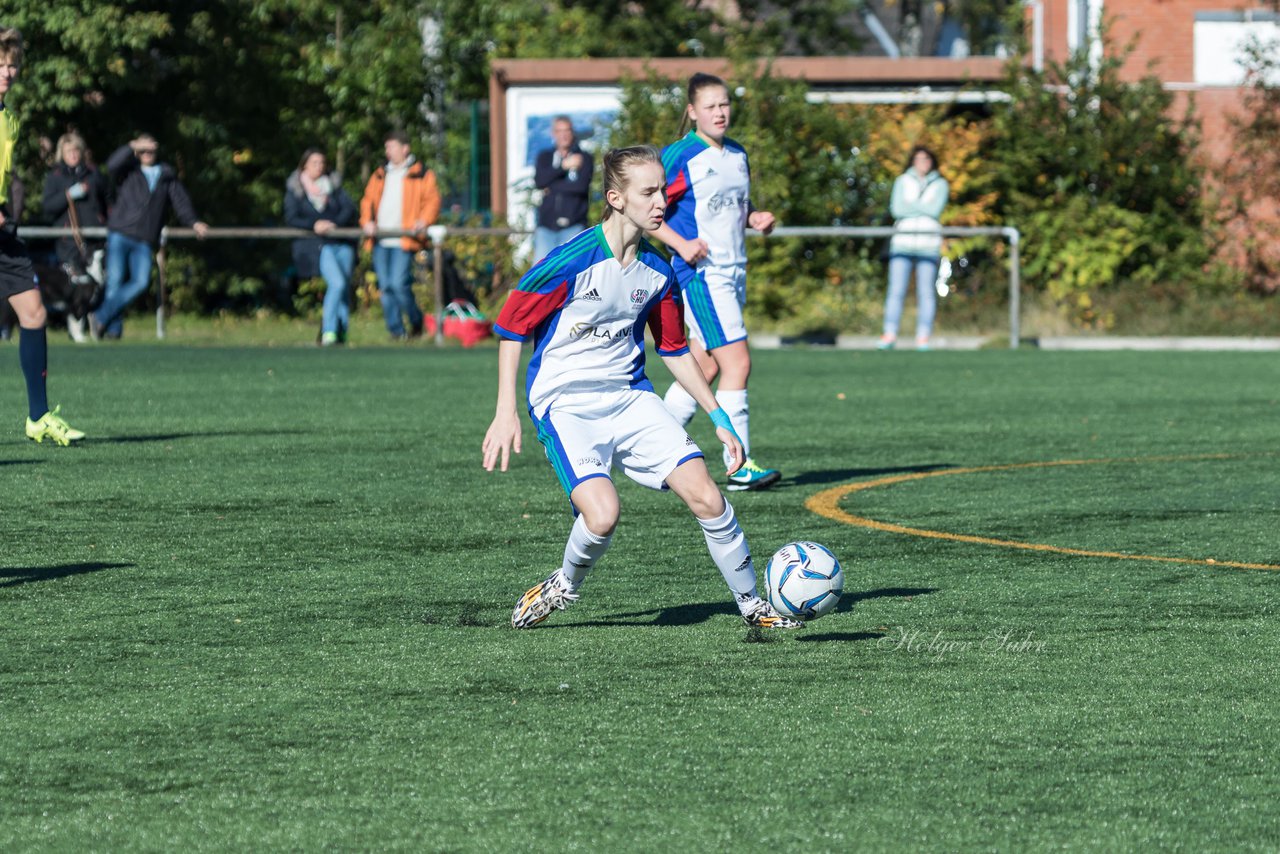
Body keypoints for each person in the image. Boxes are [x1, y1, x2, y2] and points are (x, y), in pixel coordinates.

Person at [482, 144, 802, 632]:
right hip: (566, 404)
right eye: (649, 193)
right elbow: (510, 325)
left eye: (663, 191)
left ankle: (754, 608)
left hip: (630, 397)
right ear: (615, 197)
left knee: (710, 499)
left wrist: (717, 416)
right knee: (603, 515)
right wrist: (505, 411)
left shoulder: (659, 269)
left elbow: (674, 349)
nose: (661, 203)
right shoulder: (570, 261)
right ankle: (562, 586)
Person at [652, 73, 781, 492]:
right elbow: (645, 208)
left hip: (734, 271)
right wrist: (679, 244)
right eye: (710, 106)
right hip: (704, 276)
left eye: (724, 104)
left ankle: (654, 451)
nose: (720, 112)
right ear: (692, 112)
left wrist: (753, 218)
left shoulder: (737, 153)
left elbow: (728, 209)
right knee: (737, 364)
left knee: (704, 366)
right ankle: (739, 464)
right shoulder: (680, 155)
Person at [0, 27, 84, 445]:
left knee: (34, 314)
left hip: (2, 233)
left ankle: (38, 417)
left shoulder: (9, 118)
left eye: (12, 65)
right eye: (0, 65)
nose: (7, 72)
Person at [90, 133, 209, 339]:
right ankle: (112, 331)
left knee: (141, 282)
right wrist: (132, 145)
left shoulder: (166, 175)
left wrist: (194, 222)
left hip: (145, 238)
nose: (147, 154)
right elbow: (111, 165)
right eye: (142, 150)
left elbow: (181, 202)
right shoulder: (128, 171)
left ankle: (100, 316)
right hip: (120, 232)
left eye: (150, 150)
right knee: (114, 283)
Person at [359, 130, 440, 340]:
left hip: (405, 239)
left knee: (398, 284)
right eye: (386, 147)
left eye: (392, 147)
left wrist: (424, 220)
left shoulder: (421, 173)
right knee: (385, 288)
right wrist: (366, 221)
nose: (388, 151)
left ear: (405, 148)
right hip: (380, 239)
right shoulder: (380, 173)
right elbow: (367, 200)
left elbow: (432, 201)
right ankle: (396, 331)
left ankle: (415, 322)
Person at [879, 145, 949, 351]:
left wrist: (912, 206)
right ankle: (889, 334)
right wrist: (921, 208)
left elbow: (934, 211)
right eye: (919, 159)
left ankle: (923, 337)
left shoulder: (940, 184)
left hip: (928, 244)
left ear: (932, 161)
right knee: (896, 291)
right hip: (902, 243)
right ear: (912, 161)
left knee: (926, 292)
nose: (923, 163)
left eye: (926, 159)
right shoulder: (902, 181)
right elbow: (897, 209)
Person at [284, 148, 357, 346]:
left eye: (322, 162)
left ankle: (342, 330)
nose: (319, 166)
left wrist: (334, 224)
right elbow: (291, 217)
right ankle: (328, 331)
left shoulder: (334, 186)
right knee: (337, 284)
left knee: (343, 287)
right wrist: (315, 225)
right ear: (304, 165)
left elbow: (349, 209)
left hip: (342, 242)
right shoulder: (296, 189)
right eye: (314, 162)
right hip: (319, 245)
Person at [41, 132, 108, 270]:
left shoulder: (94, 174)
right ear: (62, 154)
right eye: (68, 151)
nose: (73, 154)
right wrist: (68, 195)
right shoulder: (55, 176)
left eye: (76, 150)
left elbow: (107, 201)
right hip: (68, 243)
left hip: (95, 240)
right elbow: (47, 207)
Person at [532, 116, 593, 261]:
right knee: (541, 272)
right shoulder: (545, 157)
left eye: (567, 130)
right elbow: (539, 181)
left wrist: (551, 186)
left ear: (572, 133)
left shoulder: (584, 157)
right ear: (553, 133)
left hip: (574, 226)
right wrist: (563, 166)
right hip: (546, 227)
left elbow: (581, 187)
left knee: (572, 269)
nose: (564, 135)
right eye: (560, 131)